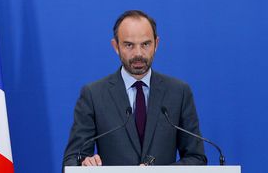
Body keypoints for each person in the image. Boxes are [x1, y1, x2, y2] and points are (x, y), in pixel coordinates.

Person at [63, 10, 207, 168]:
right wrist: (84, 164)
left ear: (156, 44)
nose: (138, 53)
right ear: (116, 46)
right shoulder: (93, 95)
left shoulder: (179, 92)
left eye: (145, 44)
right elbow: (72, 161)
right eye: (129, 45)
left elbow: (196, 158)